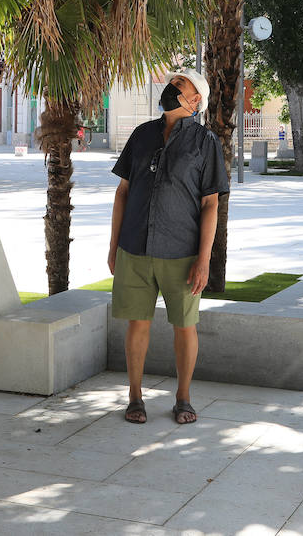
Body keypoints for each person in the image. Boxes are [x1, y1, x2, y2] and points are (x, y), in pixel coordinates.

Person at [108, 67, 227, 425]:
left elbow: (210, 205)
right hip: (135, 248)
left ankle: (184, 399)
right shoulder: (142, 135)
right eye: (171, 83)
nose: (170, 88)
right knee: (137, 325)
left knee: (184, 326)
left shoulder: (206, 143)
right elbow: (123, 192)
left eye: (179, 86)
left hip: (183, 254)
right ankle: (134, 398)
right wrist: (114, 246)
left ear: (195, 101)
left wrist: (204, 260)